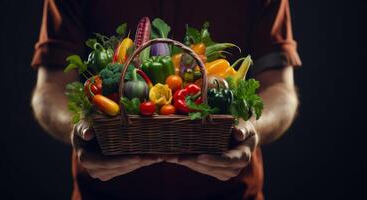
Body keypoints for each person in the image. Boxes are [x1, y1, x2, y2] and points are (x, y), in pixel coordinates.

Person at [31, 0, 301, 199]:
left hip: (229, 192)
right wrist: (85, 129)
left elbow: (280, 89)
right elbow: (49, 92)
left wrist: (250, 127)